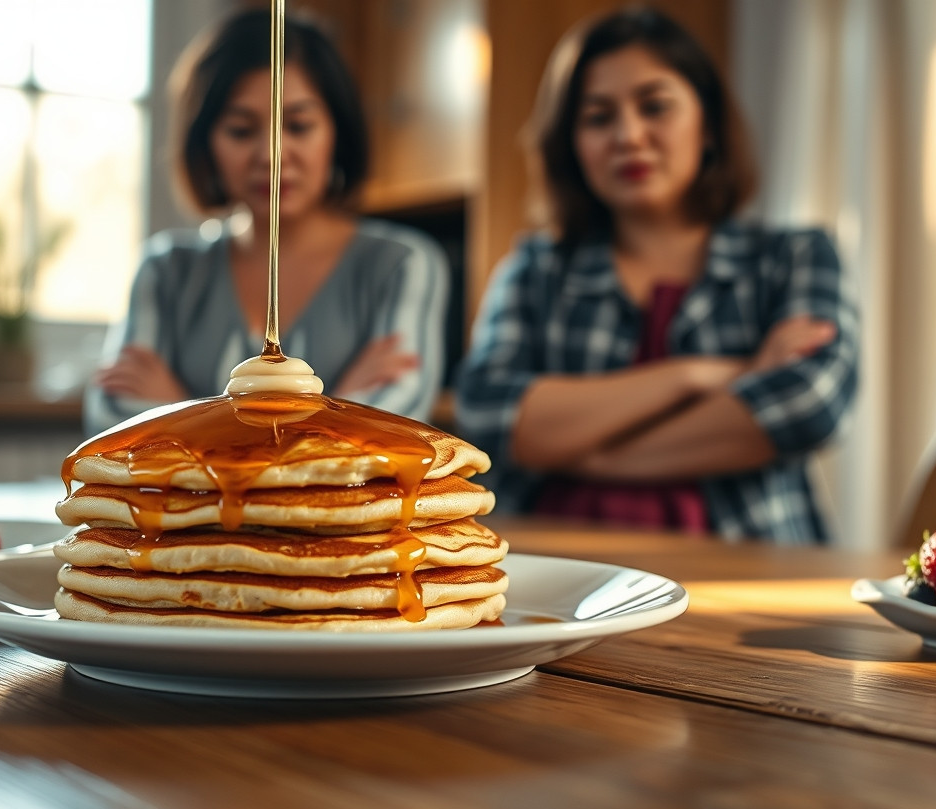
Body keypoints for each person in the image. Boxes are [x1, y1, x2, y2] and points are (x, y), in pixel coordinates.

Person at [455, 7, 858, 543]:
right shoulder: (535, 269)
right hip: (555, 563)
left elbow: (809, 404)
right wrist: (703, 374)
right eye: (598, 117)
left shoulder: (794, 256)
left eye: (654, 107)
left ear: (708, 124)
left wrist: (595, 455)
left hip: (751, 563)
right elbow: (487, 416)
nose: (628, 135)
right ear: (571, 145)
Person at [86, 9, 448, 434]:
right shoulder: (165, 270)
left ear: (337, 130)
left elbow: (395, 423)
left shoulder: (402, 265)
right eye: (241, 130)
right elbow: (114, 416)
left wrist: (175, 408)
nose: (272, 156)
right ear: (205, 142)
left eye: (298, 125)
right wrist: (338, 409)